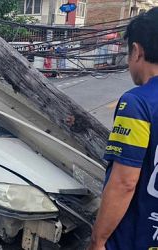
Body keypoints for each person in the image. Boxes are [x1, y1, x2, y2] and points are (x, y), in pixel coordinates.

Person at [89, 7, 158, 250]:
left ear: (137, 51)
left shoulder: (138, 103)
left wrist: (98, 241)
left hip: (138, 237)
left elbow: (124, 182)